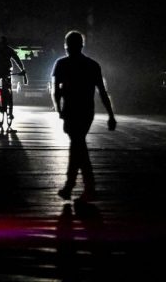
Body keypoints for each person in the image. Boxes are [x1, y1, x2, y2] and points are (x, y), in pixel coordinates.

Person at [52, 30, 116, 203]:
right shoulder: (92, 65)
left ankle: (83, 187)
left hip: (70, 110)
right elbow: (102, 92)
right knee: (78, 144)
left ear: (66, 46)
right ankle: (73, 186)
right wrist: (111, 115)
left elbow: (56, 91)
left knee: (78, 145)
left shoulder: (61, 64)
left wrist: (59, 109)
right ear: (82, 45)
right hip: (87, 111)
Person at [0, 35, 25, 114]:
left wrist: (22, 69)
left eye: (4, 44)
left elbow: (17, 60)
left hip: (6, 70)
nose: (3, 45)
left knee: (7, 84)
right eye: (1, 44)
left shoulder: (9, 50)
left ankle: (7, 98)